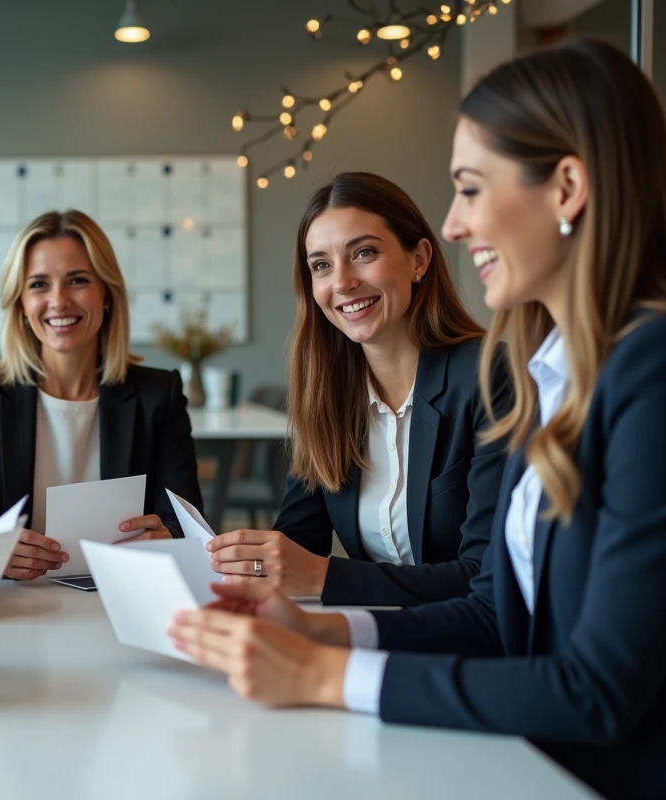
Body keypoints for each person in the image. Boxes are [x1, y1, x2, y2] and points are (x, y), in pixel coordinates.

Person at [169, 39, 666, 799]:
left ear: (567, 187)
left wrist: (324, 672)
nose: (456, 223)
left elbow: (596, 691)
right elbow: (497, 614)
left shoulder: (645, 372)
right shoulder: (554, 374)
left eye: (470, 189)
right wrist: (316, 629)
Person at [205, 172, 510, 607]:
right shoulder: (325, 395)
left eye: (364, 253)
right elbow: (296, 544)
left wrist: (325, 576)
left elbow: (487, 577)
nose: (342, 282)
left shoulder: (488, 375)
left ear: (419, 259)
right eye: (321, 265)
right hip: (372, 634)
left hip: (470, 653)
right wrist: (229, 561)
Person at [0, 210, 203, 580]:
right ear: (21, 304)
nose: (59, 301)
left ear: (107, 295)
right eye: (39, 285)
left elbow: (183, 521)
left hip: (124, 592)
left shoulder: (159, 394)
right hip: (10, 597)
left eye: (77, 280)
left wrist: (167, 536)